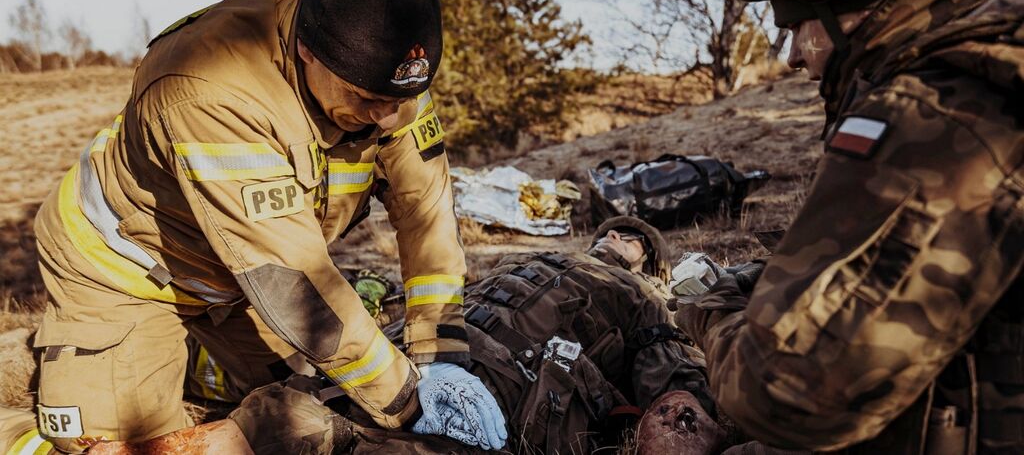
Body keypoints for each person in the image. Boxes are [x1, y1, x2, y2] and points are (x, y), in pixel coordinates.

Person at [29, 0, 504, 452]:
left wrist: (440, 356)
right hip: (129, 272)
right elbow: (293, 281)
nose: (388, 120)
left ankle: (194, 357)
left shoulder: (386, 70)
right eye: (365, 99)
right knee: (116, 445)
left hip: (237, 275)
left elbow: (425, 213)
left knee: (316, 397)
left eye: (400, 100)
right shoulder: (210, 87)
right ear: (307, 51)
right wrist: (407, 399)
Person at [674, 0, 1024, 453]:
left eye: (796, 24)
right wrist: (784, 277)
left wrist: (713, 312)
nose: (793, 57)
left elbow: (787, 393)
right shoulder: (1000, 40)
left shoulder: (942, 109)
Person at [80, 217, 716, 454]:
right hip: (420, 354)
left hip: (513, 390)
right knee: (292, 403)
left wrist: (677, 420)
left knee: (328, 436)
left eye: (632, 237)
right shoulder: (525, 260)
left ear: (648, 262)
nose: (614, 237)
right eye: (609, 230)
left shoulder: (639, 298)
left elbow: (675, 385)